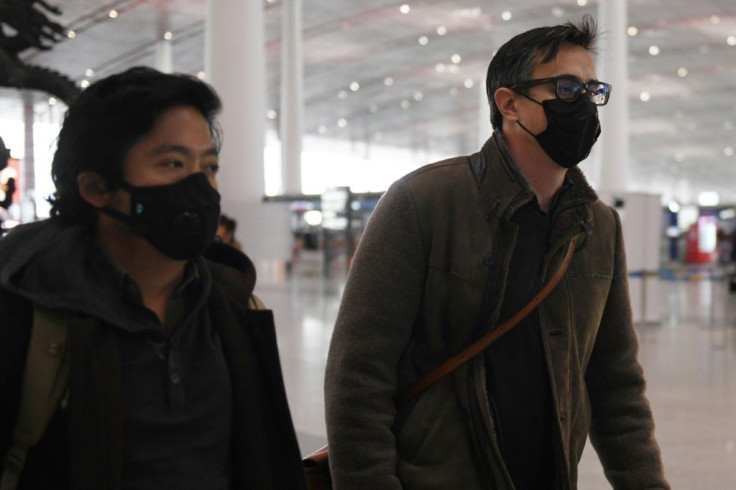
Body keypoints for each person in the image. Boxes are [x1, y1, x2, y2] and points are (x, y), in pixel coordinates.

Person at [325, 16, 669, 490]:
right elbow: (358, 377)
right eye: (567, 88)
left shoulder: (598, 225)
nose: (585, 105)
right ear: (509, 103)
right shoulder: (424, 202)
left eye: (593, 91)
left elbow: (615, 383)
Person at [0, 67, 306, 489]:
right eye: (173, 163)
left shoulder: (233, 304)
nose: (199, 186)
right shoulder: (26, 306)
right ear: (96, 188)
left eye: (209, 165)